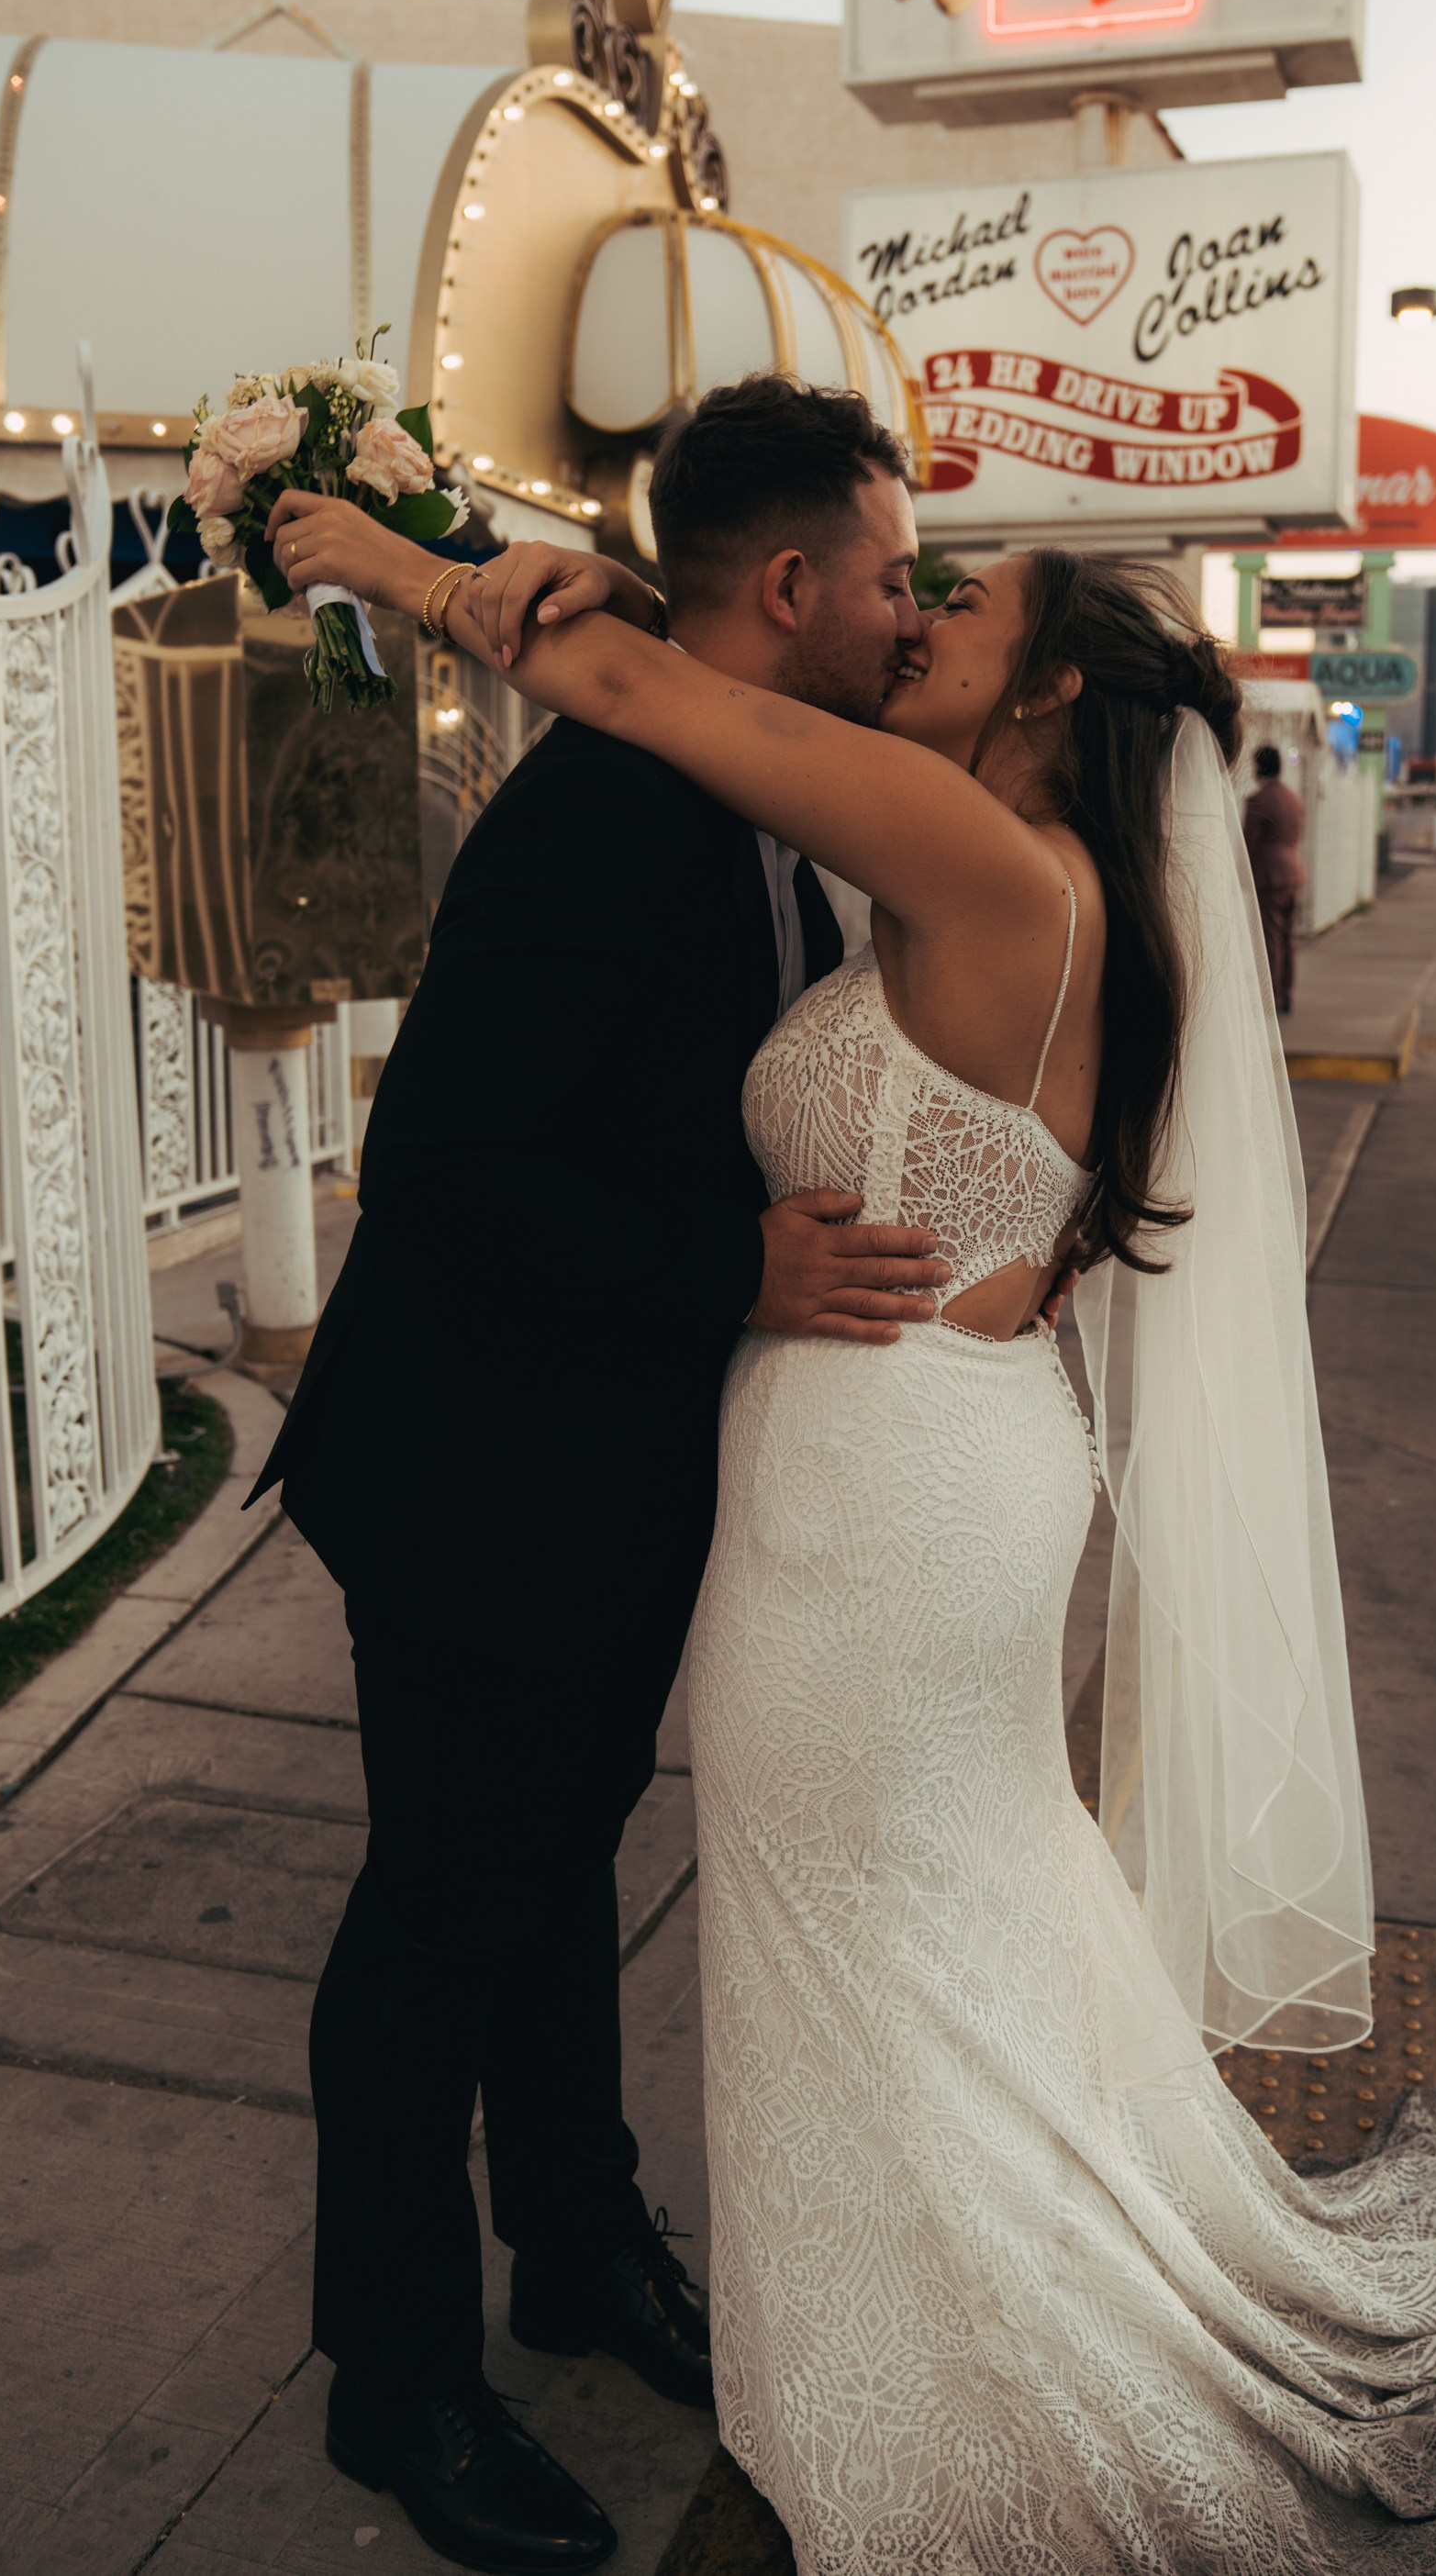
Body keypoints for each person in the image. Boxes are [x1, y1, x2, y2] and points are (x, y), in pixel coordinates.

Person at [280, 473, 1436, 2574]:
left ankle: (933, 2359)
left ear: (1058, 690)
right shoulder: (1050, 885)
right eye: (909, 582)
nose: (922, 619)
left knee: (872, 1936)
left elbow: (663, 684)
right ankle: (795, 2287)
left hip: (888, 1500)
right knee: (939, 1914)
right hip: (935, 1461)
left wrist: (390, 561)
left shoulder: (979, 860)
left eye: (969, 607)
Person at [249, 379, 952, 2575]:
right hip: (475, 1475)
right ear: (790, 585)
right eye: (894, 576)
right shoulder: (596, 822)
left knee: (559, 1876)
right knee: (441, 1923)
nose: (908, 614)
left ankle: (571, 2241)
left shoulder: (743, 795)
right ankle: (397, 2380)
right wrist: (728, 1259)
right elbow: (442, 1162)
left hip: (608, 1463)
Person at [1241, 738, 1306, 1012]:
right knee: (1287, 937)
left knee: (1270, 937)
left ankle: (1274, 997)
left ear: (1259, 767)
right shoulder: (1293, 798)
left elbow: (1249, 844)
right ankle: (1287, 993)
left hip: (1269, 874)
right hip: (1293, 870)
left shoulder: (1259, 799)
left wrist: (1242, 877)